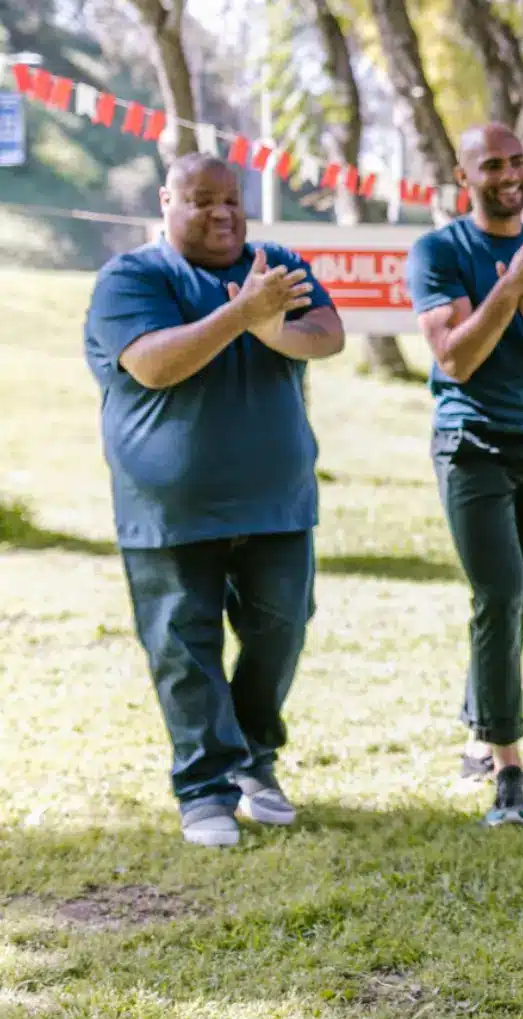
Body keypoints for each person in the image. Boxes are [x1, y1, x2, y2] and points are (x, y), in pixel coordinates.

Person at [82, 153, 345, 847]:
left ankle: (254, 758)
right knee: (184, 645)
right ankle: (204, 788)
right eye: (203, 201)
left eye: (232, 200)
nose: (223, 214)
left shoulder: (274, 264)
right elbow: (153, 363)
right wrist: (243, 314)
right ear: (166, 201)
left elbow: (328, 334)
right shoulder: (132, 278)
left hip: (276, 500)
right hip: (170, 510)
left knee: (281, 627)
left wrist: (272, 327)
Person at [406, 123, 523, 829]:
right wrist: (510, 287)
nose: (510, 175)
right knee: (500, 593)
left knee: (515, 603)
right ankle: (509, 771)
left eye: (517, 162)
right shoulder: (439, 252)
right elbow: (456, 358)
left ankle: (478, 741)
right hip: (471, 443)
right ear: (464, 177)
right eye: (492, 165)